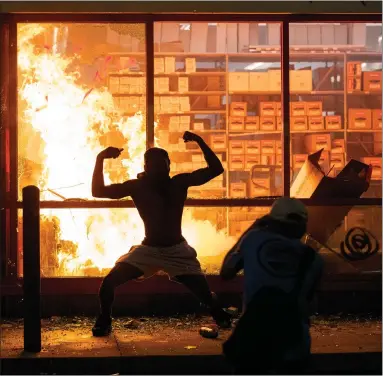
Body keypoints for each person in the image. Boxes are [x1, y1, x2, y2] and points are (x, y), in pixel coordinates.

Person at [91, 131, 232, 336]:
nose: (157, 168)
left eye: (161, 163)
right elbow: (98, 191)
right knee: (108, 283)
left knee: (205, 295)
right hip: (148, 249)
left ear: (169, 166)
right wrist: (99, 158)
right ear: (146, 168)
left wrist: (200, 141)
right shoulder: (139, 186)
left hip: (177, 251)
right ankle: (104, 319)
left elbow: (216, 169)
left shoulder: (178, 183)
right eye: (153, 164)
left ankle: (218, 313)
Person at [220, 197, 324, 375]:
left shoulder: (253, 240)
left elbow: (226, 272)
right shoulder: (313, 259)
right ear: (303, 225)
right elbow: (309, 303)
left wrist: (254, 226)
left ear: (271, 221)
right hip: (293, 343)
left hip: (254, 340)